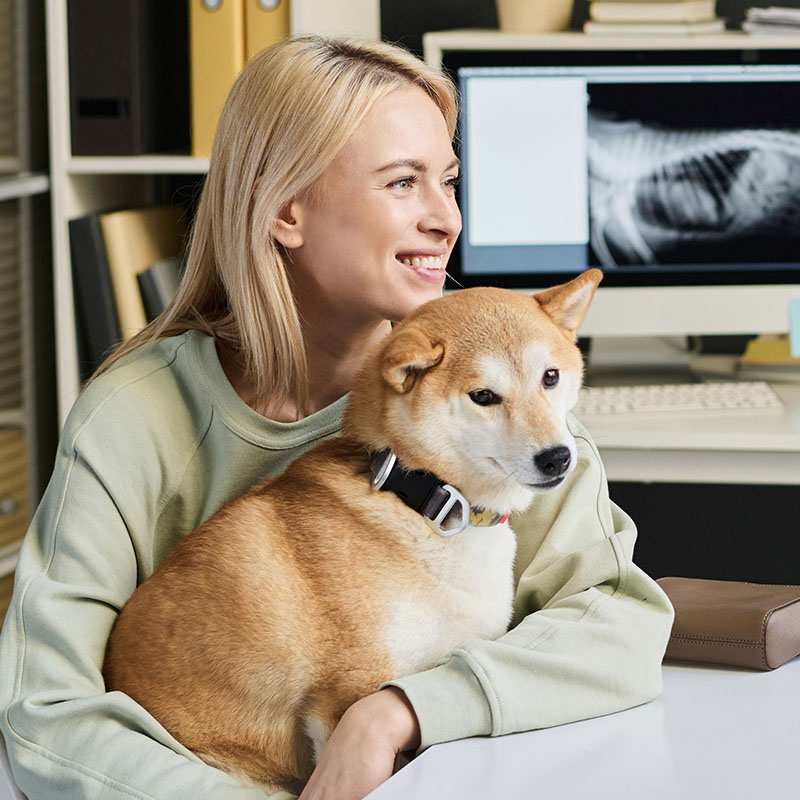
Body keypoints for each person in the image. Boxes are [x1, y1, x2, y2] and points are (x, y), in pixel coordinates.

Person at [0, 35, 674, 800]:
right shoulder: (132, 417)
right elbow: (45, 713)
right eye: (402, 183)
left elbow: (621, 626)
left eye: (449, 182)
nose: (447, 220)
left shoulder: (498, 391)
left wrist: (401, 710)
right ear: (286, 210)